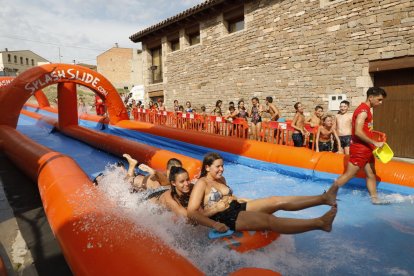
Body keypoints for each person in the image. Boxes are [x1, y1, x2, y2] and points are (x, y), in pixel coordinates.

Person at [187, 152, 338, 234]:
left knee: (276, 201)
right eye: (218, 166)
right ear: (207, 168)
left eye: (222, 166)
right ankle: (320, 223)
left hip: (236, 207)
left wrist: (248, 201)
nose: (222, 169)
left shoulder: (221, 179)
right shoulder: (202, 183)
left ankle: (323, 198)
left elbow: (231, 198)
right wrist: (214, 224)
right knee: (269, 221)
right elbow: (192, 212)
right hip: (225, 217)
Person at [333, 87, 387, 204]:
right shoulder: (363, 111)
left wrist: (373, 139)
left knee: (371, 173)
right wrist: (375, 142)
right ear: (371, 97)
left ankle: (374, 198)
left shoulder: (367, 109)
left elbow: (365, 129)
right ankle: (328, 195)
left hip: (367, 147)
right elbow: (357, 131)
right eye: (379, 100)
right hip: (360, 149)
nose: (381, 103)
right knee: (350, 174)